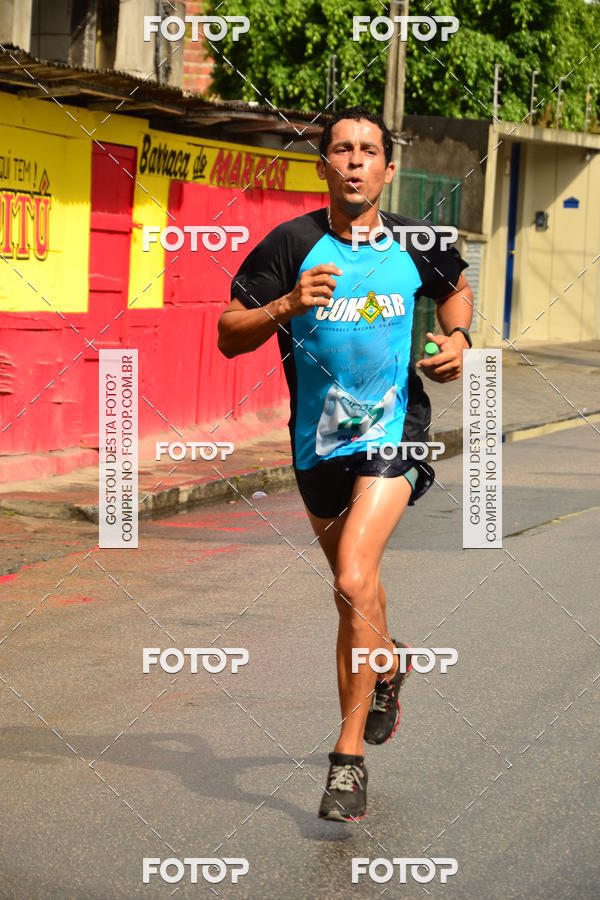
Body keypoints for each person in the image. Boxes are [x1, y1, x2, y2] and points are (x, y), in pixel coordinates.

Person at [217, 105, 473, 822]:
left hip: (395, 431)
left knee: (353, 578)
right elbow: (229, 333)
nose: (355, 160)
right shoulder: (290, 244)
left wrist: (459, 339)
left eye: (368, 150)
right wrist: (287, 304)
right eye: (341, 149)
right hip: (318, 445)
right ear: (322, 165)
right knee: (356, 592)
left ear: (388, 168)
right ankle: (388, 664)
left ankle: (347, 759)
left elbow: (454, 289)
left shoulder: (418, 241)